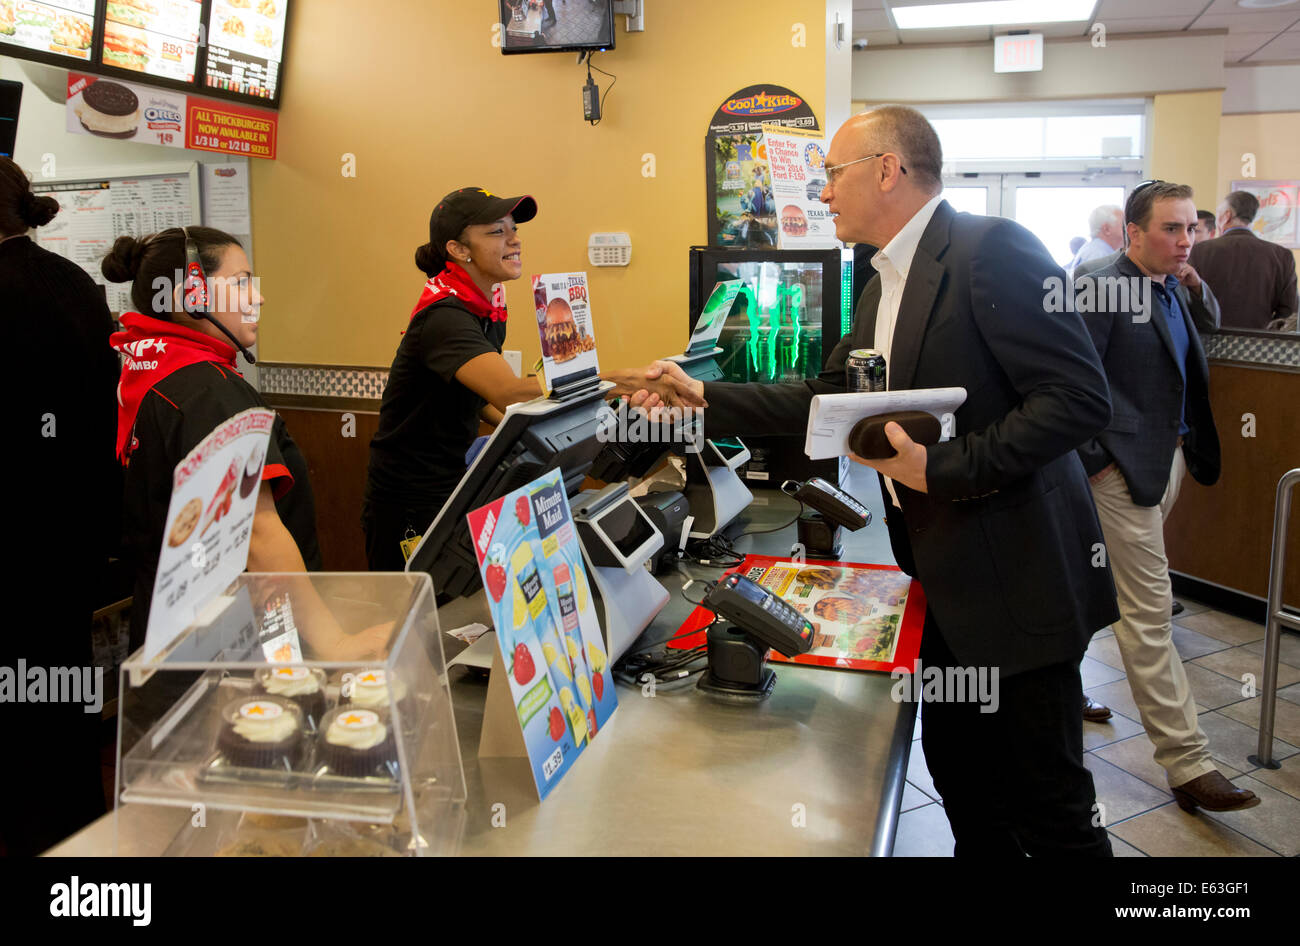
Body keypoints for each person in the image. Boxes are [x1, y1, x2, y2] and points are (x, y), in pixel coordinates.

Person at [640, 106, 1119, 856]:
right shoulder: (878, 280)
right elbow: (824, 401)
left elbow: (1079, 400)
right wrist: (703, 394)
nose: (823, 193)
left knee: (1050, 807)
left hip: (1016, 583)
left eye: (833, 174)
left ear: (887, 170)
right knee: (963, 779)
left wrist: (943, 469)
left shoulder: (990, 251)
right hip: (942, 580)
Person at [364, 187, 687, 573]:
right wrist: (622, 380)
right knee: (420, 619)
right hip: (411, 497)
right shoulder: (445, 317)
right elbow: (508, 390)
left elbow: (478, 393)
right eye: (497, 232)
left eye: (513, 229)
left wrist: (523, 432)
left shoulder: (486, 308)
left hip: (453, 483)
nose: (514, 239)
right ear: (457, 249)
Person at [1073, 182, 1256, 813]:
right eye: (1171, 230)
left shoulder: (1177, 284)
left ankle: (1060, 692)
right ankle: (1189, 763)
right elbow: (1072, 386)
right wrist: (1098, 465)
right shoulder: (1100, 285)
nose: (1186, 241)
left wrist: (1194, 281)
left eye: (1191, 229)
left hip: (1167, 460)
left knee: (1088, 584)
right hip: (1121, 472)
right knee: (1148, 613)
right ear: (1132, 232)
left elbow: (1208, 329)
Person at [102, 227, 368, 657]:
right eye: (241, 281)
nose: (257, 297)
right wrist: (335, 642)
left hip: (176, 628)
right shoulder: (210, 392)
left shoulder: (154, 372)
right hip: (231, 639)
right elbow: (259, 534)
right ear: (191, 295)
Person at [2, 157, 115, 855]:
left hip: (14, 533)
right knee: (62, 690)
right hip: (74, 530)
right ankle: (79, 830)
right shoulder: (73, 281)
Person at [1189, 190, 1298, 330]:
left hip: (1208, 341)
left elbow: (1187, 302)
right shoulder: (1282, 255)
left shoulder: (1199, 251)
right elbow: (1289, 313)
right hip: (1257, 344)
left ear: (1227, 215)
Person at [1067, 204, 1124, 276]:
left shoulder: (1091, 249)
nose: (1129, 231)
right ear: (1107, 229)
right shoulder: (1100, 255)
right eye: (1124, 225)